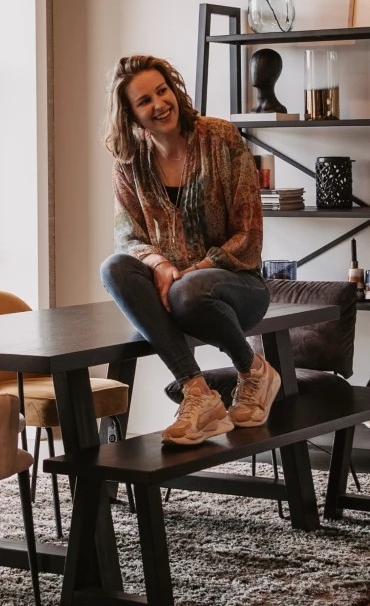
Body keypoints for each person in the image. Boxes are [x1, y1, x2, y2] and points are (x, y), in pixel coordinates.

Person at [98, 54, 274, 445]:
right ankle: (197, 392)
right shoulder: (129, 162)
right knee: (113, 268)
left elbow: (248, 232)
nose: (159, 104)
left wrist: (194, 269)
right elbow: (127, 236)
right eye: (144, 100)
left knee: (187, 290)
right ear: (130, 113)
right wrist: (159, 264)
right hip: (170, 292)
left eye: (162, 91)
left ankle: (253, 370)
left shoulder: (221, 137)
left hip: (238, 287)